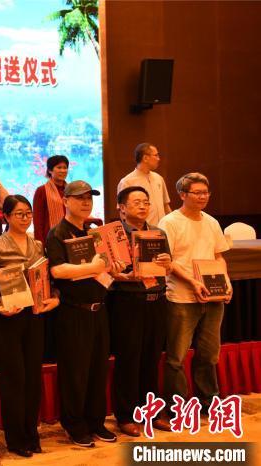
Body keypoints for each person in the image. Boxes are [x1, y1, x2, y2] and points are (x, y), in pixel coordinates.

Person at [0, 195, 60, 456]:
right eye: (19, 214)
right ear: (7, 217)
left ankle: (31, 434)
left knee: (33, 378)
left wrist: (53, 297)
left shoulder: (37, 245)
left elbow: (46, 277)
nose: (25, 218)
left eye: (28, 213)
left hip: (34, 316)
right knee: (13, 380)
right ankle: (16, 439)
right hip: (7, 319)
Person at [45, 180, 123, 448]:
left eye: (89, 197)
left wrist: (113, 267)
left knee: (97, 370)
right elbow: (57, 271)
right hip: (73, 313)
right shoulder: (57, 233)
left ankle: (96, 422)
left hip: (99, 310)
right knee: (75, 372)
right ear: (65, 201)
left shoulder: (94, 232)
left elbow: (106, 267)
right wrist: (93, 268)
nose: (86, 202)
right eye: (79, 197)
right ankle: (74, 425)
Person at [158, 173, 232, 414]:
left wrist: (225, 280)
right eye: (197, 193)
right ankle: (177, 407)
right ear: (182, 194)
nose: (203, 197)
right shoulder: (169, 222)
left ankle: (209, 402)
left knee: (209, 354)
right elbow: (167, 262)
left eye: (205, 193)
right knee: (176, 357)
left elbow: (218, 256)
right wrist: (192, 282)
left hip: (213, 297)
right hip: (181, 297)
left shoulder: (211, 222)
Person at [109, 186, 173, 437]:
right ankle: (125, 416)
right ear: (122, 208)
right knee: (128, 360)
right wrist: (123, 276)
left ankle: (152, 412)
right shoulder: (114, 234)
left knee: (151, 359)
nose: (143, 206)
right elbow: (106, 272)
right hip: (128, 302)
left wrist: (167, 264)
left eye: (146, 202)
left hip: (156, 300)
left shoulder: (157, 233)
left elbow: (167, 267)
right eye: (137, 202)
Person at [117, 143, 171, 226]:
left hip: (162, 229)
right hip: (142, 230)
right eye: (156, 155)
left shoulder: (159, 178)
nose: (158, 159)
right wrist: (131, 231)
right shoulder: (127, 181)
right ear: (145, 158)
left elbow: (165, 205)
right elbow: (122, 211)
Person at [32, 155, 69, 244]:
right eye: (59, 167)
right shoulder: (42, 190)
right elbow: (37, 221)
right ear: (50, 170)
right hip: (50, 240)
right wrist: (40, 244)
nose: (63, 170)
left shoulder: (71, 190)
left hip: (71, 237)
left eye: (65, 168)